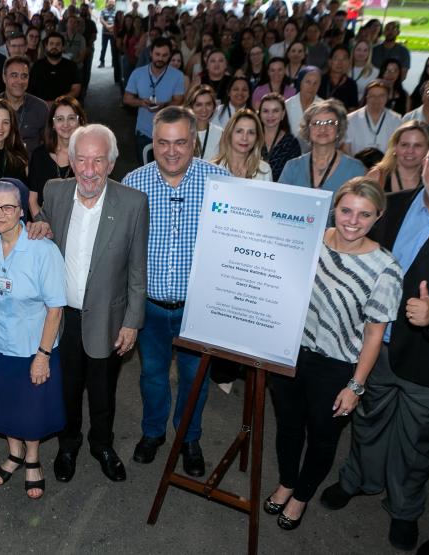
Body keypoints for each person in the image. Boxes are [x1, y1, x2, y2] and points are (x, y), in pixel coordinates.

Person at [264, 177, 402, 531]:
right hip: (289, 353)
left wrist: (355, 386)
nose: (353, 221)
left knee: (323, 438)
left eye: (364, 214)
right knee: (288, 426)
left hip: (337, 367)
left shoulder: (385, 269)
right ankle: (287, 481)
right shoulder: (309, 240)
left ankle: (301, 496)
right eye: (346, 210)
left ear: (378, 216)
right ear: (334, 208)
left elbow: (374, 335)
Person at [320, 153, 429, 552]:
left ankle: (404, 509)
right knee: (367, 421)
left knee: (416, 441)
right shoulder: (392, 205)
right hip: (375, 344)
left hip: (425, 357)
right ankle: (357, 480)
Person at [35, 123, 148, 484]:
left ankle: (102, 444)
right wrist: (39, 224)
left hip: (109, 318)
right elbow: (43, 222)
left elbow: (137, 268)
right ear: (70, 161)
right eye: (81, 159)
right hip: (63, 318)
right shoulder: (54, 191)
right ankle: (68, 444)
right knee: (66, 389)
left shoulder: (132, 203)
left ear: (111, 164)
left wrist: (132, 321)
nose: (88, 169)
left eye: (98, 160)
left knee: (103, 392)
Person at [121, 106, 232, 477]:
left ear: (194, 142)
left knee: (194, 379)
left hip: (197, 309)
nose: (171, 151)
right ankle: (153, 432)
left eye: (180, 142)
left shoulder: (221, 182)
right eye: (163, 142)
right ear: (152, 142)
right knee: (152, 375)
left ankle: (188, 437)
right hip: (149, 307)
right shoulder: (134, 182)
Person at [0, 178, 65, 500]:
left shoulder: (43, 250)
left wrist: (43, 355)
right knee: (4, 403)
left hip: (32, 346)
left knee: (31, 408)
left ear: (21, 211)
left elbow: (55, 308)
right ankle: (14, 453)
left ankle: (32, 459)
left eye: (8, 207)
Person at [280, 99, 366, 193]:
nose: (323, 129)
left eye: (330, 123)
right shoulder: (292, 167)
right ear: (308, 130)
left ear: (339, 129)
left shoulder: (355, 169)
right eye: (316, 123)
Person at [124, 38, 185, 163]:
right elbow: (127, 98)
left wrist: (164, 105)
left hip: (168, 133)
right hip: (144, 131)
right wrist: (141, 103)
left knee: (167, 168)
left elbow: (179, 100)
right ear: (150, 53)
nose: (160, 58)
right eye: (157, 54)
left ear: (169, 55)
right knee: (144, 168)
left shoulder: (177, 75)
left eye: (164, 55)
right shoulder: (137, 73)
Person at [0, 56, 49, 156]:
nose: (20, 81)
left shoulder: (41, 107)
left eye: (24, 76)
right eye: (14, 75)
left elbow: (48, 145)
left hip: (31, 163)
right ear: (4, 77)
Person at [27, 96, 85, 216]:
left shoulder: (89, 157)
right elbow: (32, 199)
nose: (66, 124)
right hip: (43, 223)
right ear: (52, 124)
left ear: (79, 122)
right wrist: (41, 223)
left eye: (71, 118)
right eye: (60, 119)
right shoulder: (39, 155)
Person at [366, 120, 429, 192]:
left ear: (428, 149)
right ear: (394, 147)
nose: (410, 151)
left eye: (417, 145)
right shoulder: (376, 177)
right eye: (404, 145)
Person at [212, 109, 272, 181]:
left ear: (257, 138)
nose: (244, 138)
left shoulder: (265, 170)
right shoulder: (213, 168)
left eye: (251, 132)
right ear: (229, 134)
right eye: (239, 131)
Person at [346, 80, 402, 155]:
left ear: (387, 97)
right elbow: (346, 148)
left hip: (386, 162)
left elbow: (397, 147)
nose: (376, 99)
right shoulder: (350, 119)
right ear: (366, 97)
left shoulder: (396, 119)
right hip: (356, 161)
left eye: (381, 96)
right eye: (372, 96)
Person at [259, 92, 302, 182]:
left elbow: (295, 175)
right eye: (266, 111)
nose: (270, 115)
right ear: (260, 114)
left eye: (275, 111)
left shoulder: (291, 143)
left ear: (283, 114)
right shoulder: (251, 138)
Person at [28, 33, 81, 102]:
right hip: (40, 105)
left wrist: (57, 102)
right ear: (46, 46)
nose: (54, 47)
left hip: (64, 104)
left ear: (63, 47)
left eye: (58, 44)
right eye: (51, 44)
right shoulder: (37, 65)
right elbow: (30, 90)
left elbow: (76, 91)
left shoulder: (72, 66)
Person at [184, 84, 222, 161]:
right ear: (190, 107)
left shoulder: (221, 133)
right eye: (199, 105)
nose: (204, 109)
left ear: (214, 107)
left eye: (208, 104)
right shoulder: (181, 132)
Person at [286, 66, 323, 141]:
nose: (311, 87)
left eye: (315, 83)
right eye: (308, 82)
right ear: (300, 83)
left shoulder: (324, 107)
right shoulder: (287, 105)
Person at [319, 45, 360, 111]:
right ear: (330, 62)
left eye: (344, 59)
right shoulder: (320, 80)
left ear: (348, 62)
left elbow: (353, 109)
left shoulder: (351, 84)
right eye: (336, 58)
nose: (340, 63)